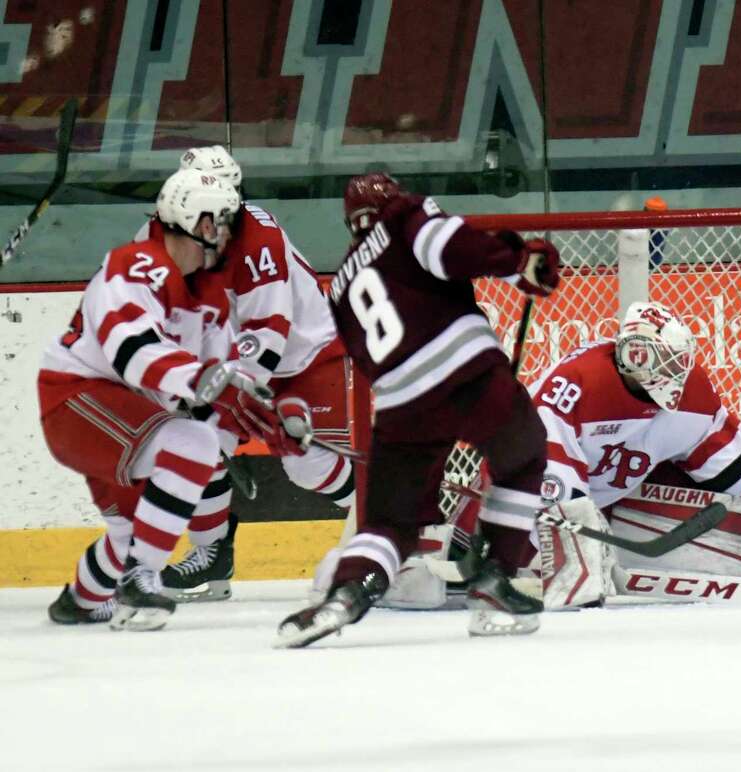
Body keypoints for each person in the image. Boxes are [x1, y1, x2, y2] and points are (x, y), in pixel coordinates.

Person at [275, 173, 561, 647]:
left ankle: (346, 593)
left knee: (388, 522)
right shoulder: (404, 216)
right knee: (523, 456)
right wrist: (518, 262)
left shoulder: (341, 285)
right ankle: (494, 580)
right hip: (465, 373)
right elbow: (450, 249)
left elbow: (363, 359)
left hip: (399, 404)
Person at [39, 169, 286, 630]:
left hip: (129, 417)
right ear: (202, 222)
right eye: (226, 222)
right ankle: (143, 578)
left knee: (130, 530)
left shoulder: (208, 298)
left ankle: (81, 600)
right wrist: (203, 382)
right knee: (191, 443)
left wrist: (268, 425)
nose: (231, 234)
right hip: (77, 401)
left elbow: (219, 386)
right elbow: (134, 354)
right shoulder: (136, 265)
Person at [527, 300, 741, 607]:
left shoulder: (692, 393)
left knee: (714, 504)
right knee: (563, 525)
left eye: (680, 360)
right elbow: (546, 483)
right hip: (526, 510)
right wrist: (572, 544)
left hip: (614, 503)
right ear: (636, 355)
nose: (678, 373)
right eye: (668, 360)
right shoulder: (575, 384)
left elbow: (737, 469)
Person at [136, 146, 357, 603]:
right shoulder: (160, 231)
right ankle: (212, 554)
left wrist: (219, 391)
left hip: (305, 359)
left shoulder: (258, 238)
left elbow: (269, 335)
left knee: (307, 462)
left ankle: (387, 526)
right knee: (193, 444)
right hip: (231, 366)